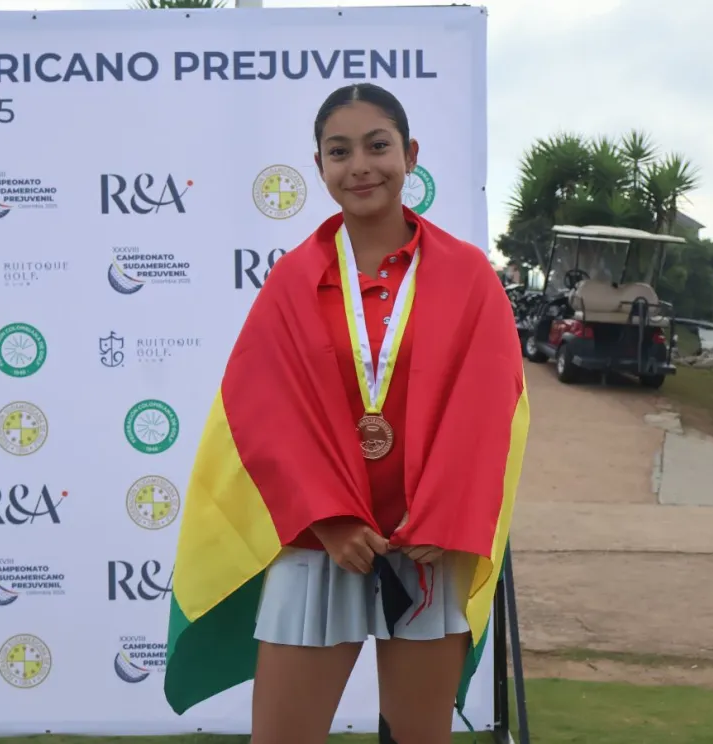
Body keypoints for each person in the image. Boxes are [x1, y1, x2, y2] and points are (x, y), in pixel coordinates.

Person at [163, 83, 529, 744]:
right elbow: (260, 407)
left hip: (425, 541)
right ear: (320, 167)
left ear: (410, 154)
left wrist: (444, 516)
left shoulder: (469, 275)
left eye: (377, 145)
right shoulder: (293, 280)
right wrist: (327, 517)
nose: (359, 165)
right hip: (321, 538)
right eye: (339, 151)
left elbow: (490, 404)